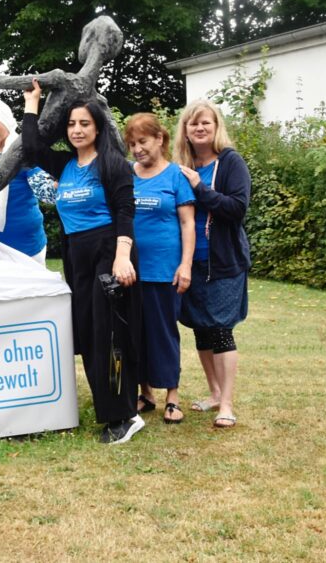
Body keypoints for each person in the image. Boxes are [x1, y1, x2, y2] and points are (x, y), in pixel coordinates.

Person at [22, 79, 144, 444]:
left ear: (97, 127)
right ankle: (110, 405)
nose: (77, 130)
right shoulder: (66, 165)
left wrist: (122, 257)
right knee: (88, 334)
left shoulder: (113, 165)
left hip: (109, 250)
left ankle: (125, 415)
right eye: (72, 124)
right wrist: (32, 103)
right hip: (77, 254)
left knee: (110, 335)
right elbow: (30, 147)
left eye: (84, 124)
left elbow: (126, 212)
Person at [173, 99, 250, 429]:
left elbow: (236, 209)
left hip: (223, 262)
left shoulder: (231, 162)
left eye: (206, 122)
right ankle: (215, 392)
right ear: (186, 132)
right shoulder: (180, 166)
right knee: (201, 330)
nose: (200, 128)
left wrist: (199, 188)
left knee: (221, 330)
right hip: (191, 262)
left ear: (217, 127)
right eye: (193, 124)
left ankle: (228, 404)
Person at [124, 113, 195, 424]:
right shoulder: (128, 175)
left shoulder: (176, 176)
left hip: (165, 270)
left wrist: (186, 265)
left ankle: (172, 397)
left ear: (160, 139)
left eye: (143, 141)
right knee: (136, 333)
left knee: (163, 333)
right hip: (132, 270)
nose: (138, 149)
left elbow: (187, 223)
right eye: (132, 144)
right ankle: (146, 392)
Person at [0, 97, 55, 262]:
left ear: (5, 118)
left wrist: (61, 183)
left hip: (25, 244)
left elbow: (46, 194)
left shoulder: (24, 150)